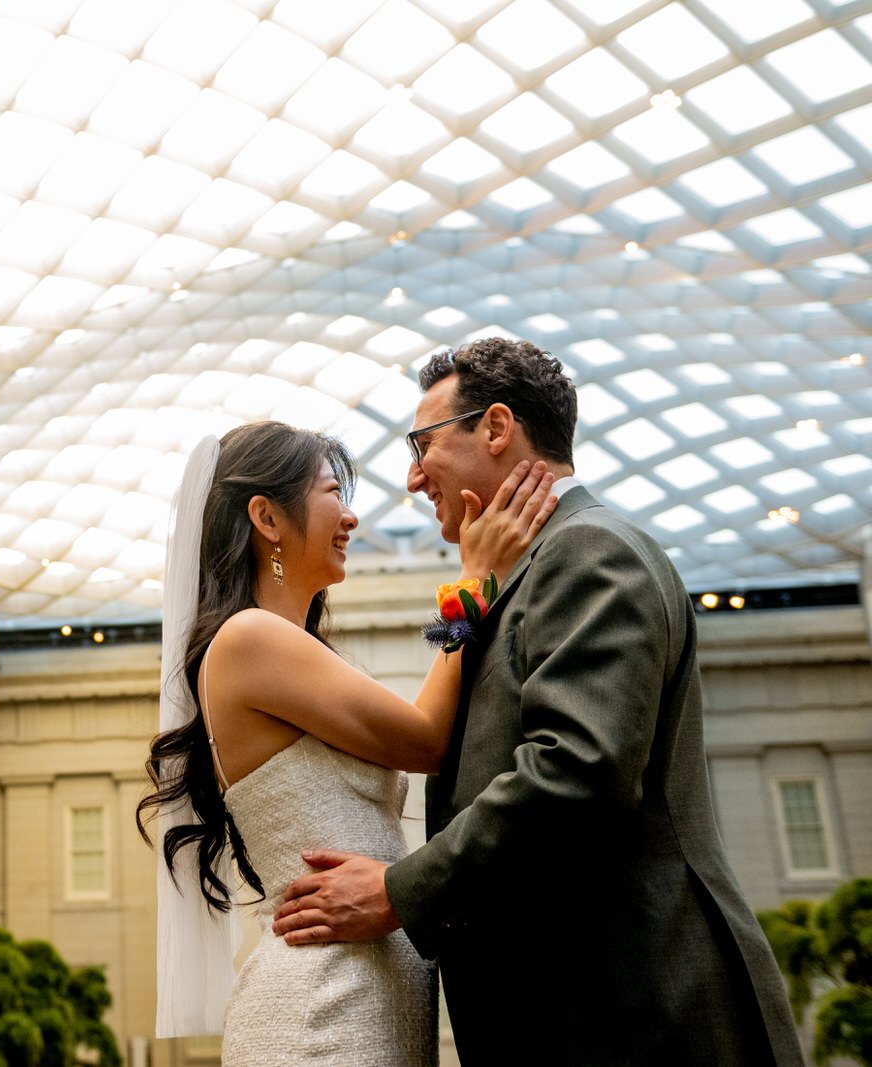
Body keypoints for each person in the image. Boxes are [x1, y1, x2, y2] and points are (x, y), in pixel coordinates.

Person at [270, 338, 805, 1065]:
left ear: (495, 428)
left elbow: (577, 768)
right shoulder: (532, 570)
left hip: (637, 1015)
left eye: (422, 445)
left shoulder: (589, 552)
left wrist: (399, 892)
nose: (411, 476)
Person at [137, 419, 557, 1065]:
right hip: (320, 1005)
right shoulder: (251, 637)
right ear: (266, 518)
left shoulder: (284, 645)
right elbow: (425, 739)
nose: (352, 517)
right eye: (334, 490)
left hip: (359, 994)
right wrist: (475, 583)